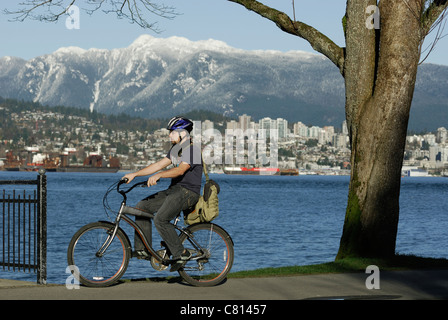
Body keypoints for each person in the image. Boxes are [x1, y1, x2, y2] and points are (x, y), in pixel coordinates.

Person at [122, 116, 202, 272]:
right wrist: (135, 174)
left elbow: (180, 170)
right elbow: (158, 165)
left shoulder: (192, 150)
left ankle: (181, 253)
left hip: (188, 192)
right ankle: (143, 249)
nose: (169, 136)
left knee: (161, 219)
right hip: (174, 191)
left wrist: (160, 175)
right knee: (142, 207)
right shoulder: (175, 150)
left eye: (172, 132)